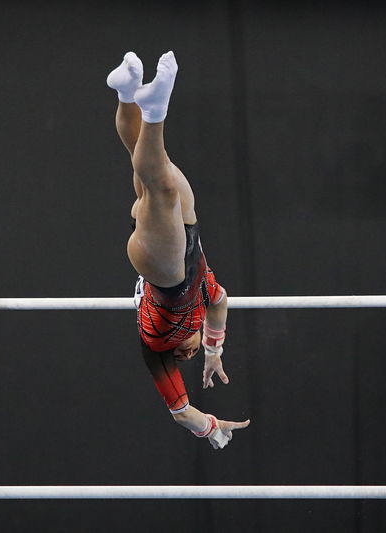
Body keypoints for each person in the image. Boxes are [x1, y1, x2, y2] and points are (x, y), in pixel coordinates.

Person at [107, 51, 250, 449]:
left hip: (164, 272)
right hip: (188, 236)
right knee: (156, 167)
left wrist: (210, 427)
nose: (184, 357)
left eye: (180, 358)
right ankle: (126, 90)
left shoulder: (157, 347)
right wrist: (213, 350)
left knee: (164, 189)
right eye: (191, 356)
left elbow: (181, 412)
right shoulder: (205, 299)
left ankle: (156, 110)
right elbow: (221, 300)